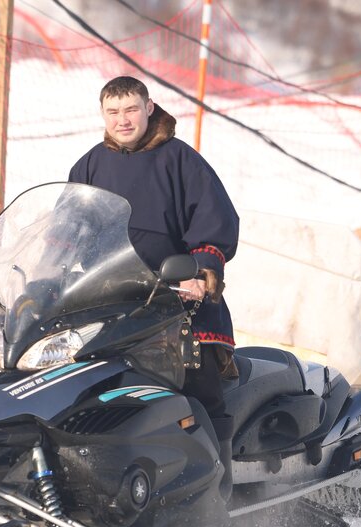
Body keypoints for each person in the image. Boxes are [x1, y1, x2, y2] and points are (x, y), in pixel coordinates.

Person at [68, 75, 239, 493]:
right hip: (111, 300)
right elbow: (70, 226)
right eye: (113, 112)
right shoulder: (90, 164)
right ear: (102, 115)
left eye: (130, 110)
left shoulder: (180, 159)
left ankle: (220, 491)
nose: (122, 120)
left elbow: (214, 221)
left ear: (148, 108)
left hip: (179, 300)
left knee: (199, 389)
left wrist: (201, 272)